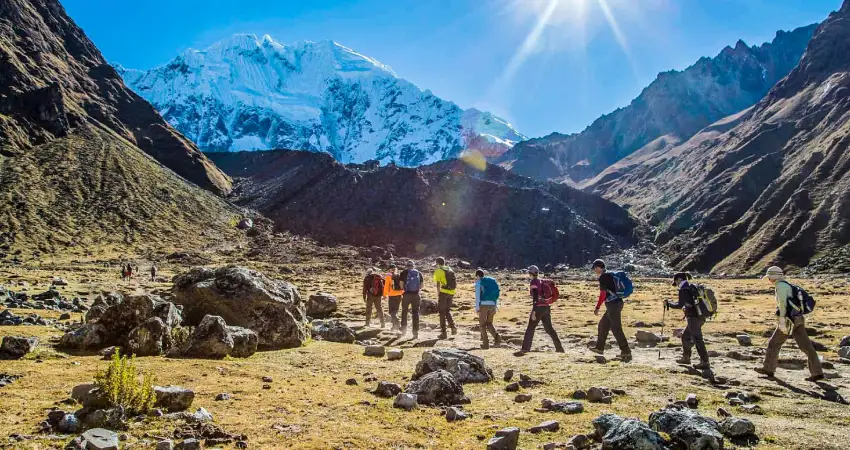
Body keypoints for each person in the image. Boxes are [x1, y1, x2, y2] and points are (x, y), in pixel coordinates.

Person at [755, 266, 824, 381]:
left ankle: (768, 369)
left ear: (773, 276)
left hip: (788, 320)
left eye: (769, 277)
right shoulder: (787, 284)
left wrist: (782, 320)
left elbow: (783, 304)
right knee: (806, 346)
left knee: (774, 343)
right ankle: (817, 373)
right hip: (798, 318)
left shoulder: (780, 286)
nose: (769, 279)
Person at [665, 272, 710, 370]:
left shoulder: (684, 289)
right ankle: (686, 358)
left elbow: (680, 305)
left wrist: (669, 304)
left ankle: (704, 362)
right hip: (700, 316)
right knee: (685, 336)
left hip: (693, 318)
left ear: (679, 279)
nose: (676, 284)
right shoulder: (692, 286)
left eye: (676, 281)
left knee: (698, 339)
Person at [590, 259, 632, 362]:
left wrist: (597, 307)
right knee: (603, 325)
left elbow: (603, 294)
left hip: (613, 305)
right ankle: (599, 348)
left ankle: (626, 350)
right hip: (616, 303)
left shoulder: (603, 277)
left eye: (595, 269)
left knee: (616, 328)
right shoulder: (609, 275)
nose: (594, 271)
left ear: (598, 267)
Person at [517, 265, 564, 355]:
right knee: (549, 329)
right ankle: (559, 348)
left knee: (530, 328)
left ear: (530, 273)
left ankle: (525, 348)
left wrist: (534, 311)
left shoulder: (534, 281)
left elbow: (535, 296)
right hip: (546, 307)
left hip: (538, 307)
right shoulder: (541, 281)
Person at [475, 269, 501, 349]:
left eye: (476, 277)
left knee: (482, 325)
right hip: (493, 305)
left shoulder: (479, 283)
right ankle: (497, 338)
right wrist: (496, 306)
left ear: (478, 276)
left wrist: (477, 308)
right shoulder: (492, 281)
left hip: (483, 305)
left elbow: (477, 297)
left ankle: (485, 343)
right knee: (489, 323)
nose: (476, 278)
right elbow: (496, 296)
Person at [433, 257, 458, 339]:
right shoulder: (449, 269)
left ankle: (444, 332)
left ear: (438, 263)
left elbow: (438, 283)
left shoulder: (438, 271)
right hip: (451, 292)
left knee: (441, 312)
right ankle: (453, 327)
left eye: (436, 264)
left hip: (443, 292)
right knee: (447, 311)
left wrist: (438, 292)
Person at [399, 260, 424, 339]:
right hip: (416, 296)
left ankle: (403, 330)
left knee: (404, 312)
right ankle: (415, 333)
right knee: (415, 314)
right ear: (413, 266)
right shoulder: (419, 273)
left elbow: (401, 285)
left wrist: (405, 289)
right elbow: (421, 286)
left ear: (406, 265)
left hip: (406, 295)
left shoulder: (403, 273)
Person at [383, 264, 404, 331]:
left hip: (392, 295)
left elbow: (386, 286)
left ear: (389, 269)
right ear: (396, 269)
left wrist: (384, 295)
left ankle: (397, 323)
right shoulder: (399, 275)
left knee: (391, 312)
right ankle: (394, 326)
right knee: (396, 311)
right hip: (399, 295)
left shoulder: (388, 276)